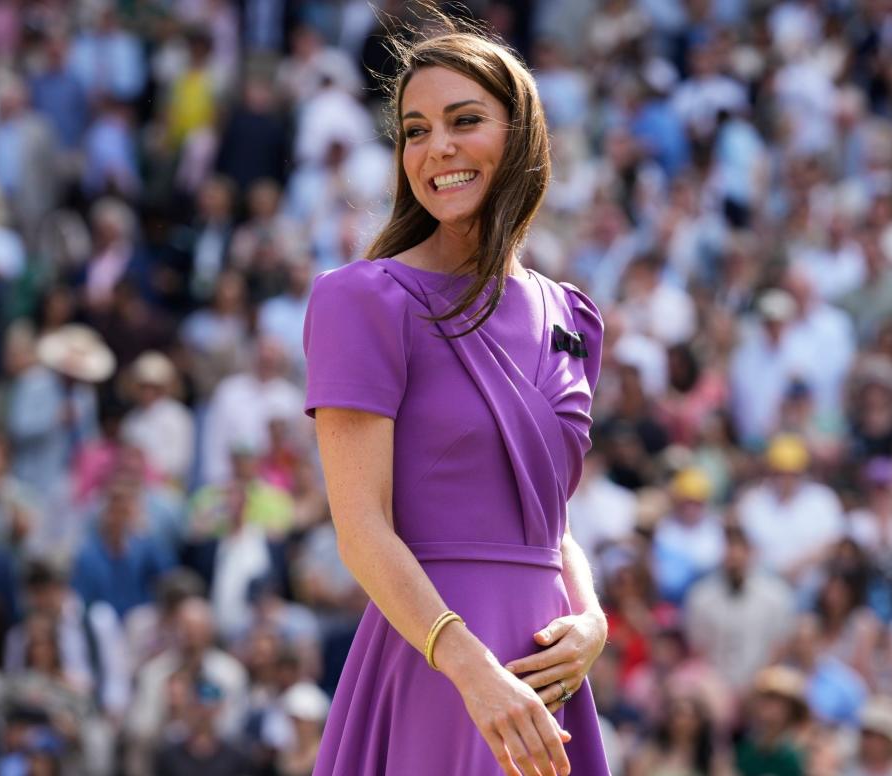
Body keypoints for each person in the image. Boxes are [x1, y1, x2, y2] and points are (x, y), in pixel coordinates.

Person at [302, 18, 611, 776]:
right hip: (435, 668)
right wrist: (472, 671)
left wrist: (593, 619)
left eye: (464, 120)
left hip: (549, 678)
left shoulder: (570, 316)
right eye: (414, 130)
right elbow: (361, 529)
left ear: (521, 137)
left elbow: (548, 518)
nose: (435, 147)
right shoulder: (363, 301)